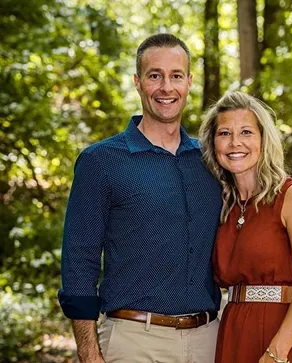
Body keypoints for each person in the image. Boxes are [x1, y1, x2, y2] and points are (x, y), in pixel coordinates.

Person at [58, 33, 223, 363]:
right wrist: (89, 352)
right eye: (154, 75)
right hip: (135, 341)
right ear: (137, 82)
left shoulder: (212, 161)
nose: (166, 87)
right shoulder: (101, 161)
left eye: (176, 76)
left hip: (210, 340)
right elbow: (79, 260)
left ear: (189, 82)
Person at [199, 91, 292, 363]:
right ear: (213, 144)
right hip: (233, 334)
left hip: (281, 339)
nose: (235, 143)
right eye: (224, 134)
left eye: (246, 132)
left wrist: (277, 351)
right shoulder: (222, 206)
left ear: (263, 140)